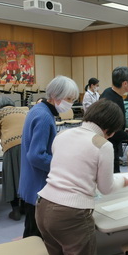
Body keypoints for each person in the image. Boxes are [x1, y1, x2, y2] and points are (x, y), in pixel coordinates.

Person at [36, 99, 128, 255]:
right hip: (71, 214)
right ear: (110, 129)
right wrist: (124, 181)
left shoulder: (63, 134)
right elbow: (106, 188)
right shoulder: (102, 145)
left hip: (43, 206)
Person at [19, 75, 79, 239]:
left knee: (32, 230)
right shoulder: (44, 116)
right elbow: (36, 156)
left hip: (31, 179)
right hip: (38, 183)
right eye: (68, 98)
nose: (70, 103)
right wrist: (62, 165)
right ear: (55, 96)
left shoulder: (38, 110)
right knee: (37, 235)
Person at [0, 96, 27, 221]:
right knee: (25, 176)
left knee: (11, 176)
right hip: (28, 145)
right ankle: (25, 207)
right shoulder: (22, 110)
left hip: (12, 147)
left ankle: (15, 210)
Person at [100, 66, 128, 173]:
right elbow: (111, 130)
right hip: (108, 144)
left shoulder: (109, 92)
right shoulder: (110, 101)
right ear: (125, 83)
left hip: (111, 143)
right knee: (112, 174)